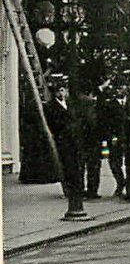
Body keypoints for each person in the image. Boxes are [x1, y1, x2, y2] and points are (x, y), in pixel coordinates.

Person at [45, 74, 92, 211]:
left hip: (75, 140)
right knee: (68, 165)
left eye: (63, 90)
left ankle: (79, 188)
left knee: (79, 164)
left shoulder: (71, 104)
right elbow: (53, 124)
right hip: (63, 140)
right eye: (58, 91)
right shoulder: (51, 107)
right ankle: (71, 190)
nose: (61, 93)